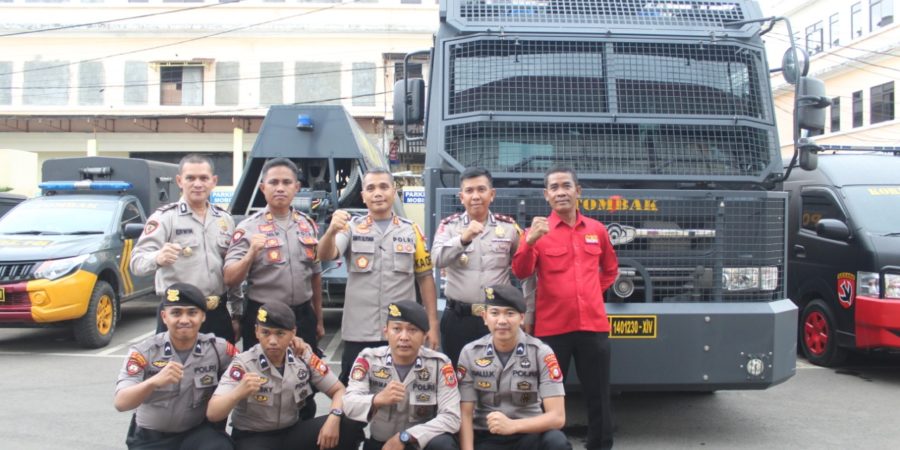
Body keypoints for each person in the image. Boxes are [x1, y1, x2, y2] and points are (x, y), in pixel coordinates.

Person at [511, 166, 618, 450]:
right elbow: (521, 271)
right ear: (546, 195)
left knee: (599, 395)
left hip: (593, 327)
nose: (561, 192)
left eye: (566, 186)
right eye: (554, 188)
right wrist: (529, 242)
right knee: (546, 397)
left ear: (578, 191)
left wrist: (591, 292)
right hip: (552, 330)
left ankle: (600, 445)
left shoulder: (597, 230)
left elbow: (610, 269)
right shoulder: (536, 232)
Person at [317, 167, 440, 385]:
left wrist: (431, 323)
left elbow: (425, 277)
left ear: (394, 192)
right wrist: (331, 231)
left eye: (384, 187)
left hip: (402, 333)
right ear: (363, 195)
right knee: (354, 394)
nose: (378, 193)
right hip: (359, 332)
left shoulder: (412, 231)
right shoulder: (350, 228)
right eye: (371, 188)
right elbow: (326, 254)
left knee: (402, 391)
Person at [207, 302, 364, 450]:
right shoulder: (243, 364)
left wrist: (334, 417)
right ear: (256, 331)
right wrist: (238, 392)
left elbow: (339, 390)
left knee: (349, 424)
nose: (272, 341)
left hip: (292, 432)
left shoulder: (302, 355)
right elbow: (213, 413)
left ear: (293, 333)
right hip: (253, 437)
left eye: (280, 333)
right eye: (265, 332)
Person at [114, 282, 237, 450]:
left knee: (219, 446)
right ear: (164, 317)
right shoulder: (144, 352)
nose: (184, 320)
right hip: (151, 437)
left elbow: (250, 366)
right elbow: (121, 402)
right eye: (176, 313)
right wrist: (153, 382)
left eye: (192, 313)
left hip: (196, 434)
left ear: (203, 316)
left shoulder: (218, 349)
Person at [131, 154, 237, 343]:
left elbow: (232, 269)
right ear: (180, 181)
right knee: (174, 363)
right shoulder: (165, 218)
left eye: (203, 178)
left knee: (223, 362)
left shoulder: (225, 220)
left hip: (216, 313)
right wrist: (157, 257)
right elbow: (136, 263)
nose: (198, 184)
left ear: (213, 181)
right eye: (190, 178)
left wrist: (237, 313)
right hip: (179, 316)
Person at [224, 157, 324, 352]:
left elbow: (315, 275)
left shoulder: (307, 225)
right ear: (263, 188)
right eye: (273, 182)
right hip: (264, 317)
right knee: (262, 370)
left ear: (296, 187)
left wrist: (319, 319)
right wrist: (250, 254)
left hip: (302, 316)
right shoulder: (248, 228)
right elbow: (229, 278)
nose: (280, 188)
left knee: (304, 368)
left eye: (286, 182)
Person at [457, 285, 570, 450]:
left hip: (529, 433)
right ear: (485, 317)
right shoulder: (470, 353)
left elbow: (558, 417)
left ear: (522, 318)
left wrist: (512, 425)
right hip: (486, 435)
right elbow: (465, 413)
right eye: (495, 313)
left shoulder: (541, 352)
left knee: (556, 441)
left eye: (510, 313)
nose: (502, 321)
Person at [431, 167, 523, 366]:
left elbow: (524, 267)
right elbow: (437, 259)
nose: (475, 196)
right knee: (458, 374)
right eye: (469, 191)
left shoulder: (508, 227)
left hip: (497, 319)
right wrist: (463, 239)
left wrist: (526, 311)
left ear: (492, 194)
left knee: (499, 373)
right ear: (461, 197)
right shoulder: (449, 226)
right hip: (459, 318)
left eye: (481, 190)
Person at [343, 301, 460, 450]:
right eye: (397, 329)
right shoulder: (369, 359)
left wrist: (405, 436)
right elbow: (349, 403)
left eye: (412, 330)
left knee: (444, 444)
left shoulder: (439, 364)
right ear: (386, 332)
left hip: (417, 443)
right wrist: (377, 399)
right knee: (341, 425)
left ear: (425, 335)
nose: (404, 337)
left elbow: (451, 417)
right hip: (381, 444)